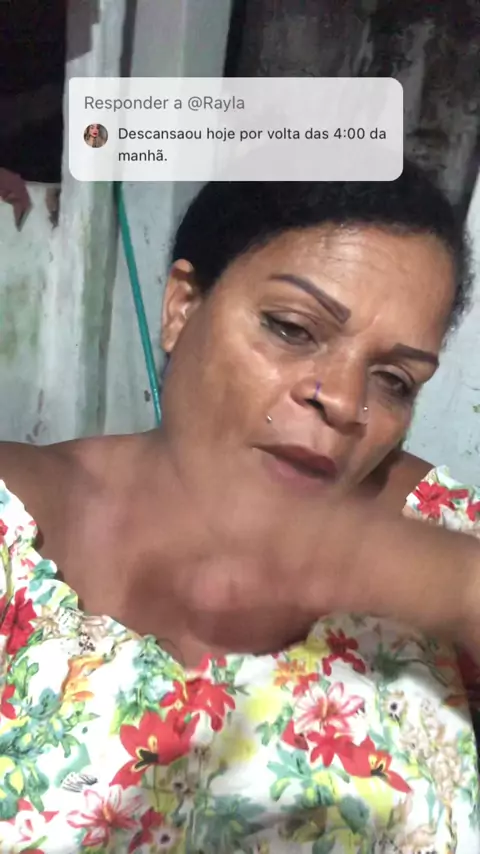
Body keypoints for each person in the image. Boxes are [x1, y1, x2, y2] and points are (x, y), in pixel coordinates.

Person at [1, 163, 480, 852]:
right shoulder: (20, 525)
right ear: (181, 307)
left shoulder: (436, 532)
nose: (344, 401)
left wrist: (456, 587)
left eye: (395, 380)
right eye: (292, 328)